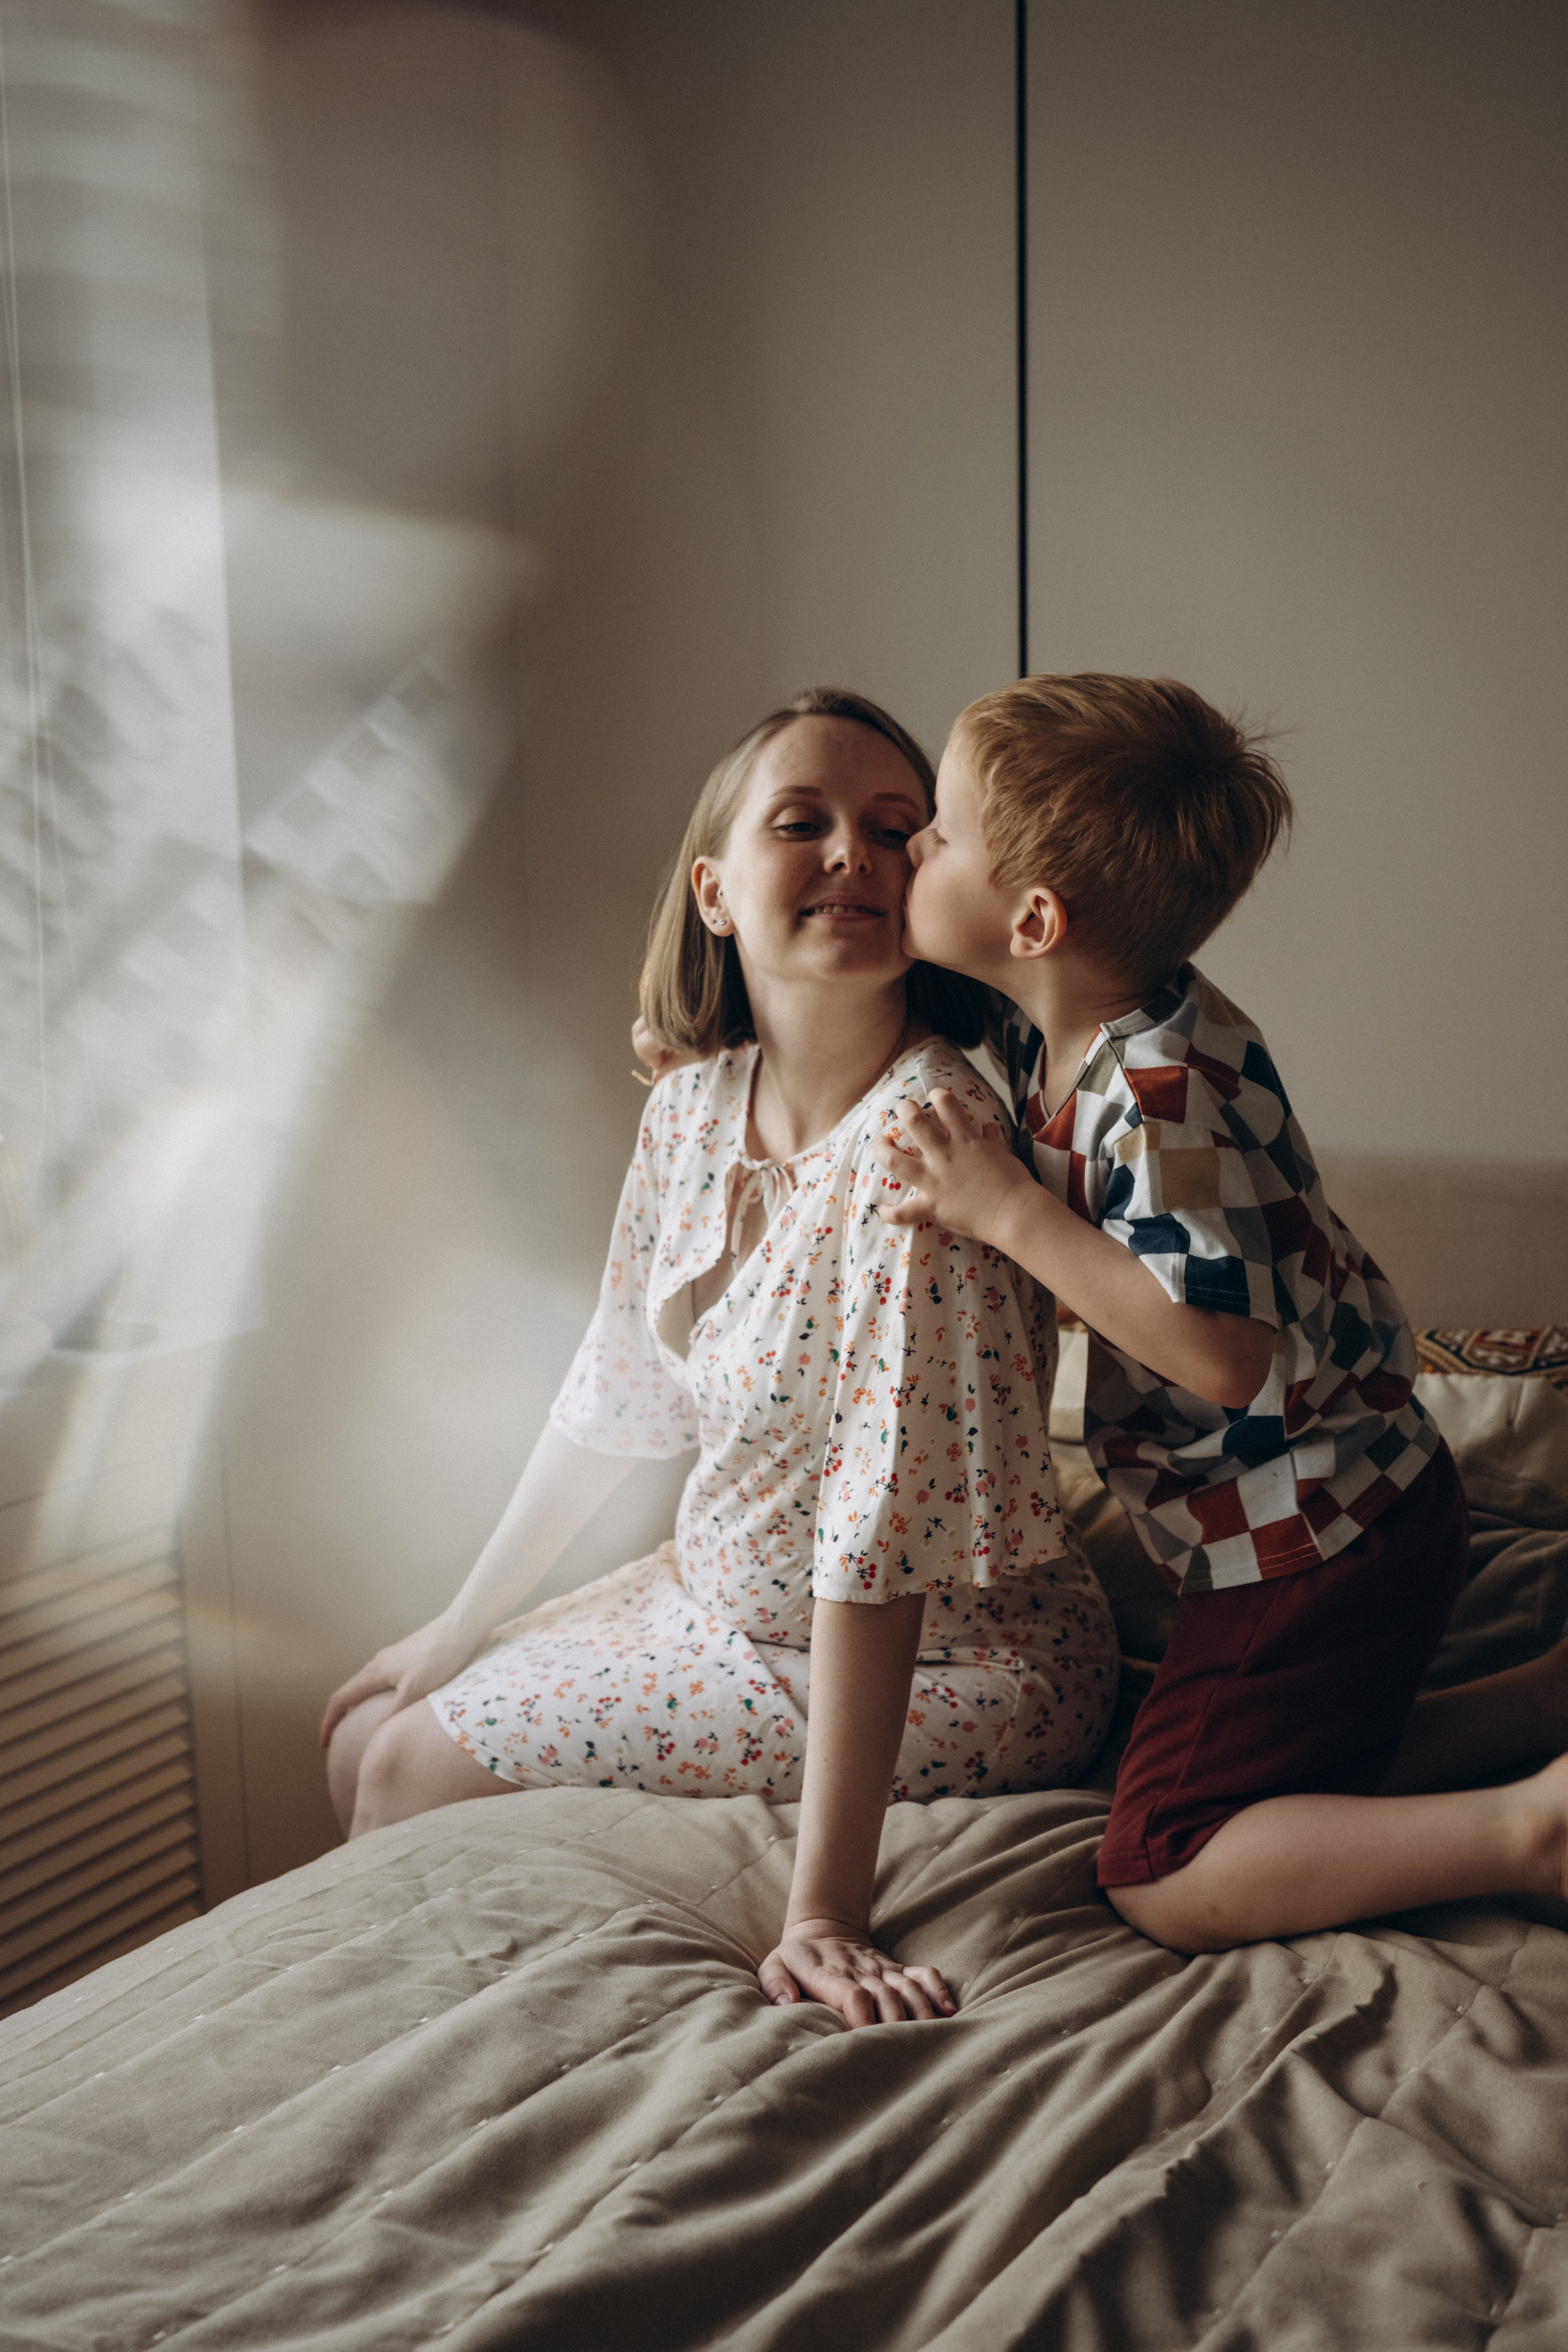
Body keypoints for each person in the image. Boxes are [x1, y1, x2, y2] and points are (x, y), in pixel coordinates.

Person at [322, 687, 1118, 2027]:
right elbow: (614, 1391)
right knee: (359, 1726)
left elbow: (878, 1541)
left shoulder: (927, 1151)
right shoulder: (692, 1108)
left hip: (953, 1663)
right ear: (714, 891)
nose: (850, 855)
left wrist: (821, 1913)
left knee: (401, 1768)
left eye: (894, 829)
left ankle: (446, 2063)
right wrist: (454, 1630)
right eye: (799, 823)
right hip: (721, 1595)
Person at [872, 671, 1568, 1955]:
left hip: (1311, 1537)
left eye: (937, 832)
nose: (908, 845)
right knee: (1300, 1760)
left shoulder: (1159, 1093)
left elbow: (1224, 1354)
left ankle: (1528, 1830)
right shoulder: (1075, 1015)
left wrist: (1011, 1214)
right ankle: (1531, 1706)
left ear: (1030, 917)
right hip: (1350, 1503)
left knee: (1160, 1861)